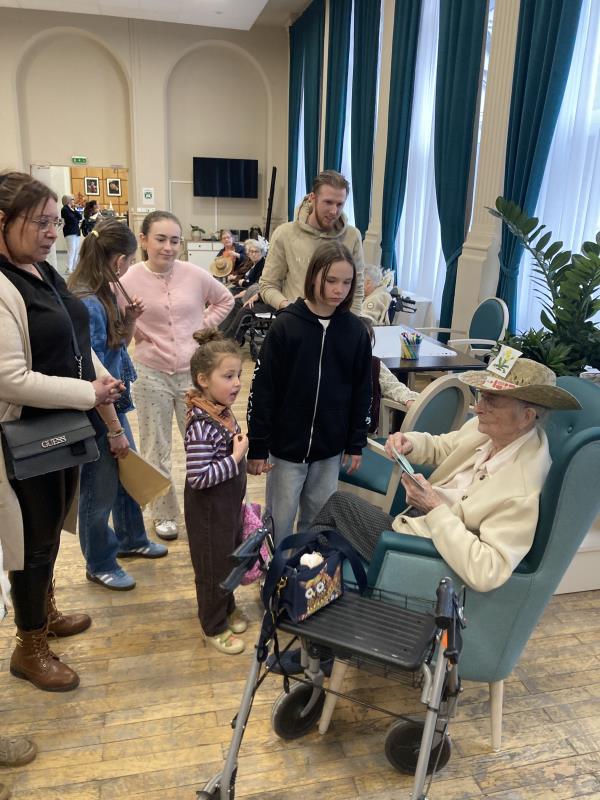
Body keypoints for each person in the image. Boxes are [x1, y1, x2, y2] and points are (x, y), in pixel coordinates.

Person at [0, 171, 123, 692]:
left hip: (61, 426)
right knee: (30, 542)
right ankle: (28, 647)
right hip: (23, 436)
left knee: (48, 533)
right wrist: (87, 393)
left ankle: (44, 613)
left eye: (56, 222)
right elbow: (9, 379)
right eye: (41, 223)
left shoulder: (41, 270)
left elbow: (76, 341)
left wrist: (101, 383)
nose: (54, 232)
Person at [311, 358, 581, 593]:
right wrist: (410, 443)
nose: (478, 408)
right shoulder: (492, 432)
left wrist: (433, 507)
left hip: (427, 552)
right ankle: (322, 590)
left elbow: (487, 570)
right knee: (327, 536)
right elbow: (444, 446)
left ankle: (312, 592)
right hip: (420, 522)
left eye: (492, 401)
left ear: (526, 417)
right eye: (481, 396)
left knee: (337, 508)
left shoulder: (520, 487)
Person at [247, 241, 372, 546]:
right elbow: (263, 390)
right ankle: (275, 572)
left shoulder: (355, 331)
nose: (339, 289)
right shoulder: (286, 325)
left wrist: (355, 442)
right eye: (331, 280)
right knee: (279, 522)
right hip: (285, 450)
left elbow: (362, 391)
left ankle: (306, 573)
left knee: (317, 524)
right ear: (314, 276)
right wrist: (258, 446)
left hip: (330, 450)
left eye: (347, 282)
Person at [120, 211, 234, 540]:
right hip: (150, 372)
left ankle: (210, 508)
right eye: (160, 239)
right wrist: (135, 329)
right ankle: (164, 513)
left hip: (193, 375)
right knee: (155, 446)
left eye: (174, 240)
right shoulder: (127, 280)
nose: (168, 247)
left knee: (204, 442)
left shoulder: (194, 274)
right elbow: (118, 321)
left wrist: (200, 328)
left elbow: (225, 299)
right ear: (143, 240)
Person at [68, 219, 168, 591]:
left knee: (126, 474)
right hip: (98, 409)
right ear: (119, 260)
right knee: (99, 489)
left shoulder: (102, 293)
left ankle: (131, 539)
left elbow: (116, 348)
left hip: (111, 405)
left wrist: (130, 320)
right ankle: (99, 562)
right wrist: (113, 430)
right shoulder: (87, 302)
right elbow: (92, 375)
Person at [183, 329, 249, 654]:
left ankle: (227, 606)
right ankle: (213, 624)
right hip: (208, 512)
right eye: (228, 376)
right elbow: (198, 477)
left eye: (238, 375)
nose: (237, 383)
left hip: (227, 507)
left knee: (229, 558)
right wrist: (235, 458)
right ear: (203, 380)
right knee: (212, 568)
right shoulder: (201, 425)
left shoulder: (219, 409)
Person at [259, 170, 365, 315]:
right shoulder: (284, 233)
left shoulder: (352, 236)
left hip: (339, 324)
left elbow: (357, 289)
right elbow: (268, 285)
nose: (334, 211)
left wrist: (352, 322)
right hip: (296, 322)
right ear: (312, 198)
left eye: (340, 204)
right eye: (328, 202)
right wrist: (290, 310)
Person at [360, 316, 418, 433]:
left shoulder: (374, 364)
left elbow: (393, 386)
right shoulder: (332, 364)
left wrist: (409, 399)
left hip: (366, 433)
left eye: (366, 342)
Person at [60, 194, 82, 273]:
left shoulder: (72, 209)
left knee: (76, 250)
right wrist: (75, 218)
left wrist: (74, 209)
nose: (74, 201)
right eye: (72, 199)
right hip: (70, 232)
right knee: (71, 250)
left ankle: (74, 267)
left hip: (76, 231)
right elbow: (72, 220)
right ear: (68, 201)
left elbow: (80, 217)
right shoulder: (64, 209)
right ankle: (68, 268)